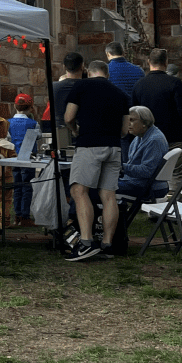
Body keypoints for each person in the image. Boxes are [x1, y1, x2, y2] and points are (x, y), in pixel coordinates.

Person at [61, 59, 131, 261]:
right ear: (107, 75)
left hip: (89, 144)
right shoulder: (120, 93)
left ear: (88, 72)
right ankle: (108, 244)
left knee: (78, 190)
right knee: (109, 195)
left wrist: (75, 131)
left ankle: (86, 242)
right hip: (114, 147)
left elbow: (68, 117)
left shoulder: (81, 86)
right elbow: (125, 130)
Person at [131, 49, 182, 190]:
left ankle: (155, 204)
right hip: (174, 136)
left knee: (151, 173)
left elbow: (134, 113)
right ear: (166, 62)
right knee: (177, 174)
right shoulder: (175, 83)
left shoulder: (139, 85)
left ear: (148, 62)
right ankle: (175, 207)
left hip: (149, 137)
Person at [117, 106, 170, 201]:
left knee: (104, 188)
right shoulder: (140, 136)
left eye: (132, 120)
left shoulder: (154, 140)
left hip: (149, 187)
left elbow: (147, 171)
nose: (128, 124)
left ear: (144, 123)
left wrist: (121, 167)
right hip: (139, 183)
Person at [8, 94, 39, 224]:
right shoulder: (33, 123)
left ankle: (17, 215)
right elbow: (38, 136)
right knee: (27, 187)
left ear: (15, 106)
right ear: (31, 108)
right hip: (28, 158)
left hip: (13, 157)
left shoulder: (8, 123)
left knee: (17, 186)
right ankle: (25, 216)